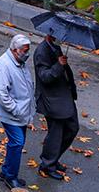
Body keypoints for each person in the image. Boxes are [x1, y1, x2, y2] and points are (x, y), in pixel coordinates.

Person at [0, 33, 35, 191]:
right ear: (15, 50)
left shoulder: (19, 63)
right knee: (17, 143)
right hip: (12, 114)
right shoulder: (4, 66)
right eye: (24, 50)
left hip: (21, 113)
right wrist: (16, 110)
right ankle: (10, 177)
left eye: (28, 50)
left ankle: (6, 172)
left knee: (16, 143)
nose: (27, 53)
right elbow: (1, 94)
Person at [34, 33, 79, 180]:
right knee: (55, 134)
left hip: (64, 97)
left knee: (72, 128)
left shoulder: (55, 47)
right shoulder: (42, 51)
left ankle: (53, 159)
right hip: (52, 100)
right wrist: (59, 64)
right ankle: (47, 165)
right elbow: (44, 77)